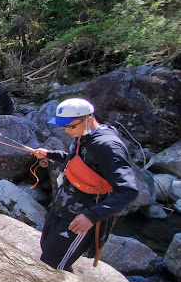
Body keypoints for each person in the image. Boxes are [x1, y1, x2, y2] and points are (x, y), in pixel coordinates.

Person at [30, 98, 138, 272]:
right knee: (48, 253)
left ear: (88, 119)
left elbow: (128, 190)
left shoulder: (109, 146)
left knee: (51, 267)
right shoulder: (83, 135)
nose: (67, 131)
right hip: (60, 209)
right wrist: (50, 154)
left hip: (79, 220)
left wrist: (91, 217)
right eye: (64, 127)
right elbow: (79, 160)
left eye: (71, 126)